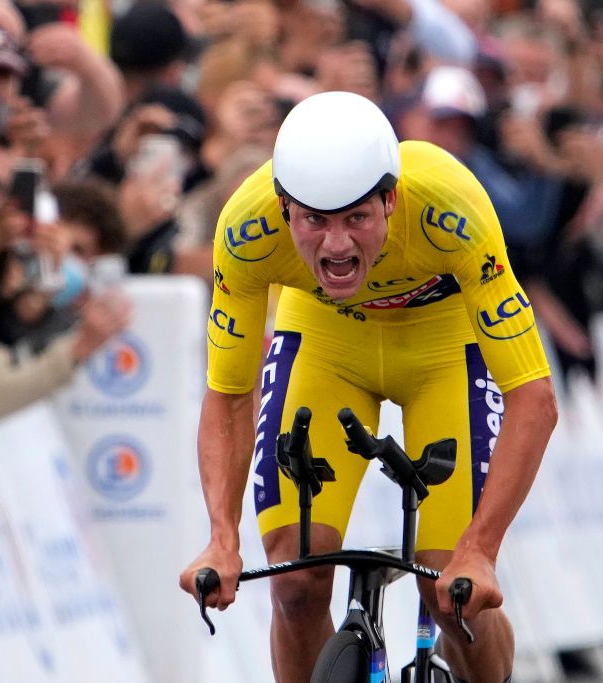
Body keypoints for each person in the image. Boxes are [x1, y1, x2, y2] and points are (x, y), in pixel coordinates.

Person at [179, 91, 558, 683]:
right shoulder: (245, 229)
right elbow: (229, 394)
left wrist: (480, 549)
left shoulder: (449, 204)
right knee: (295, 580)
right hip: (328, 342)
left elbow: (534, 398)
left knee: (450, 590)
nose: (336, 245)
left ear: (391, 199)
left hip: (443, 345)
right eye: (314, 221)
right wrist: (221, 540)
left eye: (357, 218)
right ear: (283, 208)